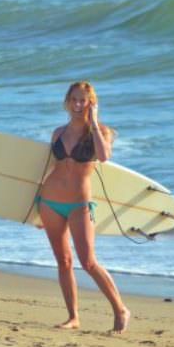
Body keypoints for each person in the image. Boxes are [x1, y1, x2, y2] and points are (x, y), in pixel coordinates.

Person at [36, 81, 130, 333]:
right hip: (50, 203)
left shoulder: (101, 132)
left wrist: (95, 121)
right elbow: (47, 169)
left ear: (91, 103)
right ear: (67, 102)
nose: (78, 105)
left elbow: (103, 156)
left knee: (88, 262)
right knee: (63, 261)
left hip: (79, 205)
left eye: (83, 101)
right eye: (74, 100)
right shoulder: (57, 133)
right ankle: (73, 317)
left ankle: (120, 309)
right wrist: (35, 211)